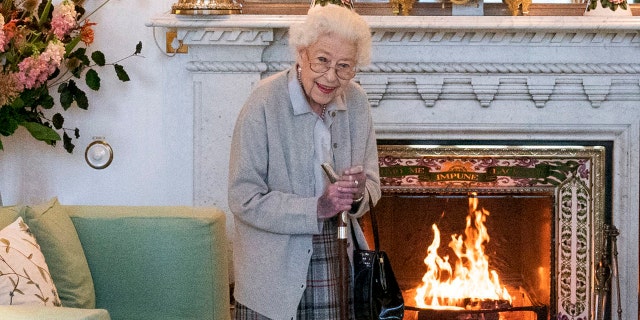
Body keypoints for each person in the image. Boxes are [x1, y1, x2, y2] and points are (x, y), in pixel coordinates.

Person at [227, 4, 380, 320]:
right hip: (273, 271)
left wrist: (357, 194)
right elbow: (243, 199)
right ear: (300, 52)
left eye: (344, 66)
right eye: (322, 60)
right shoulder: (264, 102)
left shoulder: (357, 102)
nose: (330, 76)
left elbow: (373, 186)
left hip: (338, 258)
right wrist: (318, 207)